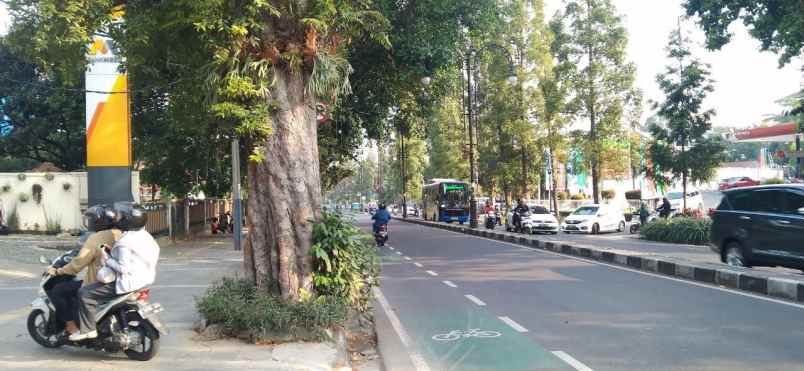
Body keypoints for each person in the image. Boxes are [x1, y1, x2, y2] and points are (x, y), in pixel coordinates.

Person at [71, 202, 160, 341]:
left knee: (85, 293)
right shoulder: (146, 236)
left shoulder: (125, 241)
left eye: (119, 216)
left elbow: (124, 268)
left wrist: (106, 259)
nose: (116, 218)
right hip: (145, 280)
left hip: (128, 283)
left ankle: (88, 330)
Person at [47, 205, 122, 337]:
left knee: (58, 291)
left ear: (98, 221)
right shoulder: (122, 234)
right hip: (121, 280)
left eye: (91, 219)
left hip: (98, 282)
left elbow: (78, 263)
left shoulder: (97, 237)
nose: (89, 223)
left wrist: (59, 271)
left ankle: (72, 327)